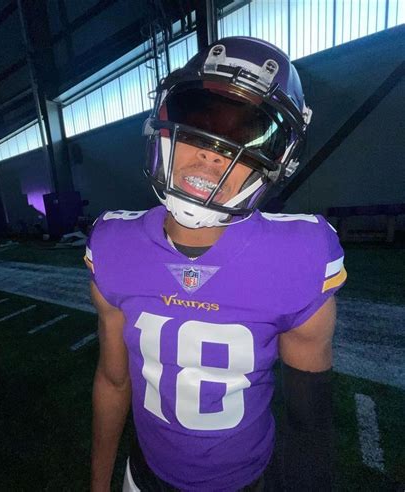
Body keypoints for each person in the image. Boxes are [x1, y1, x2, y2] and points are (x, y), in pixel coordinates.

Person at [86, 36, 346, 492]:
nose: (212, 148)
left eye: (248, 131)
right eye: (199, 115)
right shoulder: (113, 243)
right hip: (142, 475)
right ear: (164, 121)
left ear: (279, 159)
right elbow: (112, 380)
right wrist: (98, 484)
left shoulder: (301, 257)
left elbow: (309, 422)